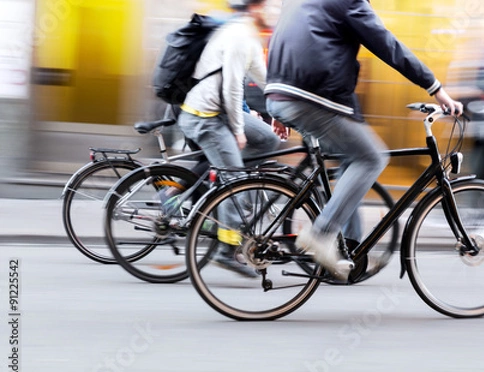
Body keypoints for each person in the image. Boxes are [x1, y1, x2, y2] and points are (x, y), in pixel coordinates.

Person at [265, 0, 463, 281]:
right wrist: (435, 88)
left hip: (281, 92)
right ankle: (321, 234)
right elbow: (388, 46)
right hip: (311, 96)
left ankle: (350, 248)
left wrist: (279, 99)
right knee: (372, 157)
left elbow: (281, 41)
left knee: (353, 158)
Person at [175, 0, 287, 277]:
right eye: (270, 6)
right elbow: (232, 89)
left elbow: (267, 81)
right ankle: (227, 250)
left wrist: (284, 113)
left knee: (268, 140)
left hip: (220, 113)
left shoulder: (249, 37)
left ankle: (226, 181)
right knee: (235, 177)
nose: (275, 12)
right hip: (205, 116)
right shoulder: (238, 35)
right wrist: (238, 130)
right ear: (255, 8)